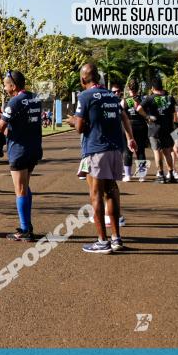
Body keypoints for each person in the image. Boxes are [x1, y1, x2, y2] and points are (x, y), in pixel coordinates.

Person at [68, 63, 137, 254]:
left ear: (83, 80)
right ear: (98, 78)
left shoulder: (85, 96)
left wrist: (72, 120)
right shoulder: (112, 96)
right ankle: (116, 238)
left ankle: (102, 241)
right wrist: (130, 137)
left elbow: (80, 127)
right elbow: (124, 116)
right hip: (115, 149)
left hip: (96, 149)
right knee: (112, 191)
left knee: (96, 194)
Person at [0, 70, 43, 241]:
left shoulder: (15, 101)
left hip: (19, 151)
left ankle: (26, 230)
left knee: (20, 190)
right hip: (34, 148)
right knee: (24, 187)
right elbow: (17, 127)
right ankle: (27, 226)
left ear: (13, 86)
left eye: (5, 85)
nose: (4, 88)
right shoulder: (35, 98)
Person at [142, 78, 178, 183]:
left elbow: (139, 108)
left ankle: (161, 175)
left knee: (157, 152)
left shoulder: (150, 98)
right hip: (167, 128)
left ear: (153, 88)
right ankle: (171, 174)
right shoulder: (170, 98)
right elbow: (175, 113)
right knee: (167, 152)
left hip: (154, 129)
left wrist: (147, 116)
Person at [120, 80, 151, 182]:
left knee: (127, 150)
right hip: (141, 126)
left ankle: (128, 175)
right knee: (141, 150)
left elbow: (121, 114)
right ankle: (141, 175)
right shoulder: (143, 99)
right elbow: (146, 112)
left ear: (128, 89)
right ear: (138, 89)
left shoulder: (125, 100)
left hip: (129, 127)